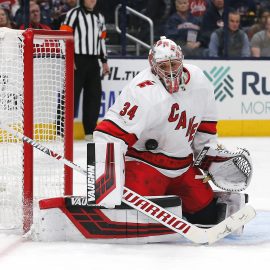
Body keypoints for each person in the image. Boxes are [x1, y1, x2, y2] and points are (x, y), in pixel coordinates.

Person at [93, 36, 221, 225]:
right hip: (145, 164)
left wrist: (212, 162)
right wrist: (104, 189)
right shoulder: (141, 91)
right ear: (153, 66)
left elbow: (205, 130)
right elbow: (109, 136)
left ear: (182, 61)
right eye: (164, 66)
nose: (170, 72)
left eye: (174, 64)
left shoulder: (200, 82)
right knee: (137, 219)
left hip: (183, 167)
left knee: (208, 216)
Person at [61, 0, 109, 141]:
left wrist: (104, 61)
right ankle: (61, 131)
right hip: (77, 60)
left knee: (94, 96)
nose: (92, 0)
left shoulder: (100, 17)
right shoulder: (73, 14)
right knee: (71, 95)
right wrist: (69, 57)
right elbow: (64, 36)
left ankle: (89, 131)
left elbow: (102, 40)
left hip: (94, 61)